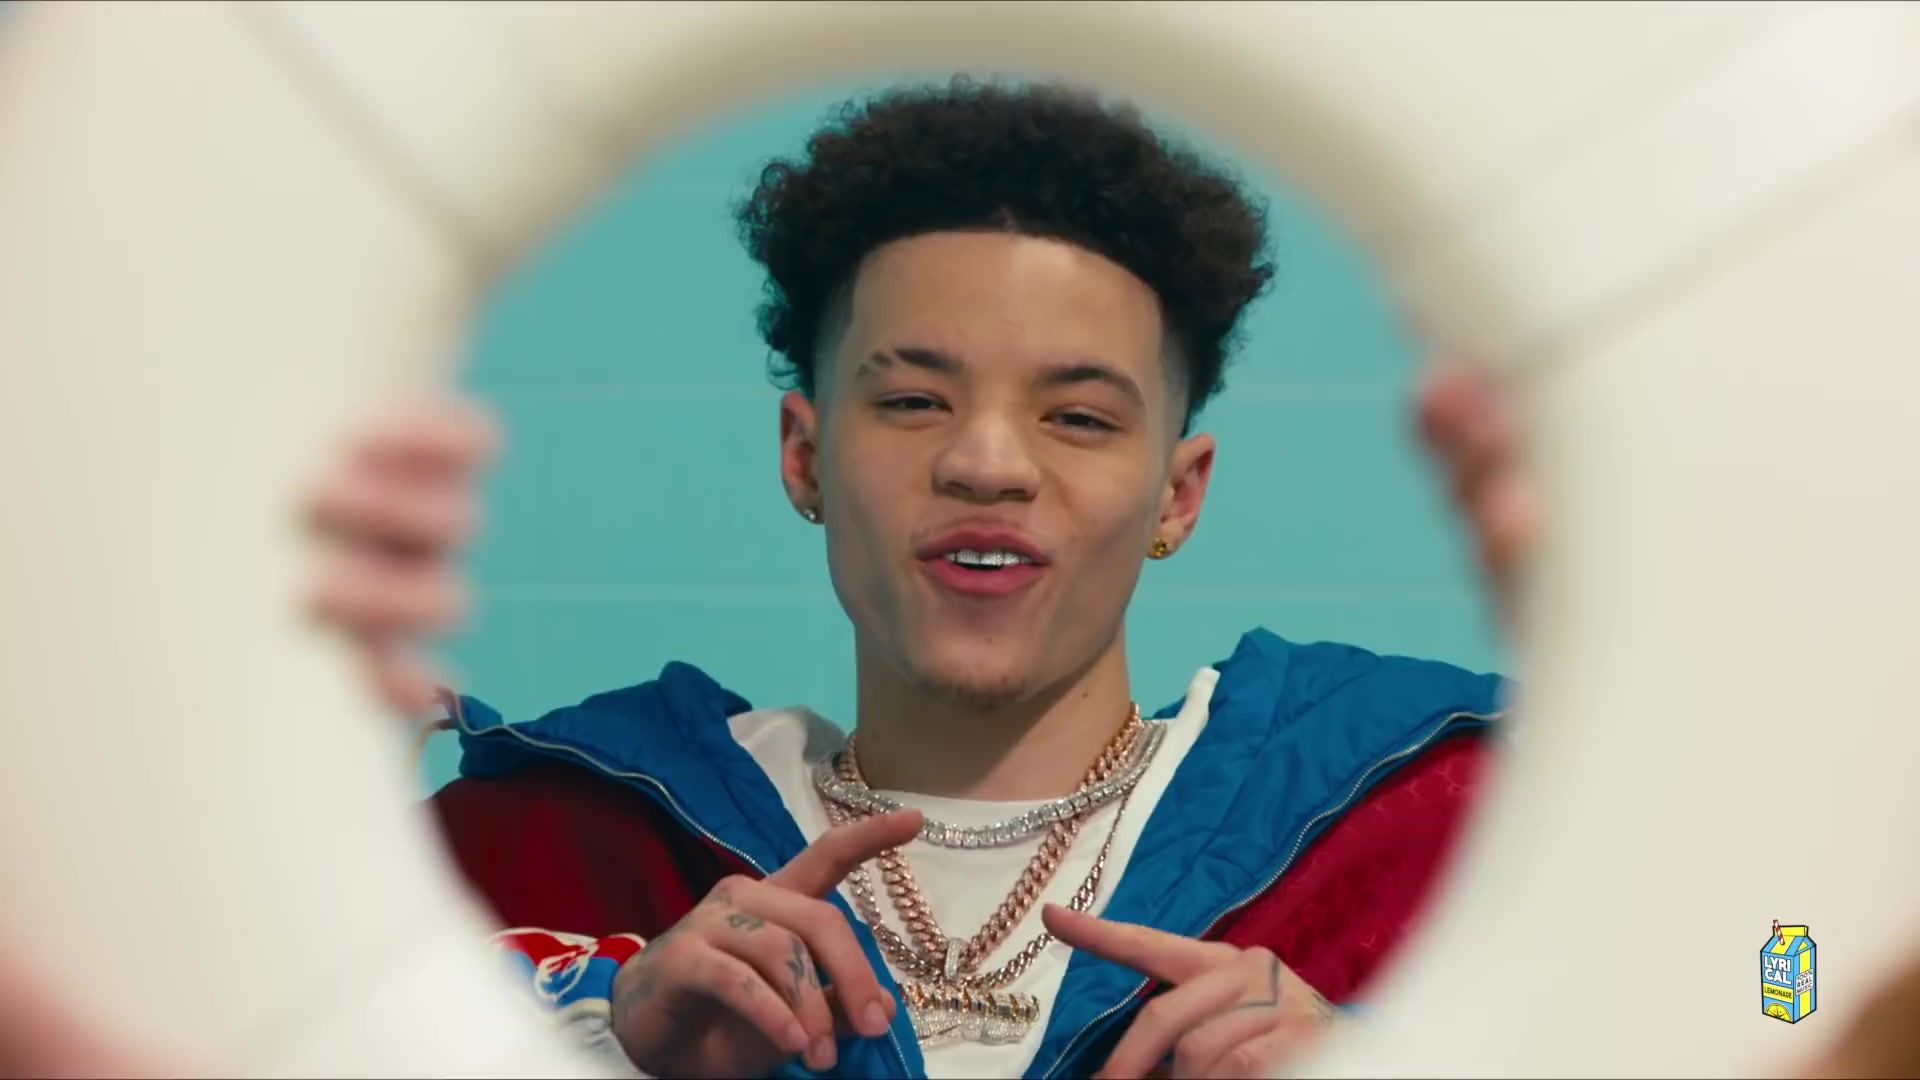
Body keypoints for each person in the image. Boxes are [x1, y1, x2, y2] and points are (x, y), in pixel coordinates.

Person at [303, 77, 1536, 1080]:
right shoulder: (552, 852)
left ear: (1178, 494)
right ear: (805, 457)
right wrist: (603, 1041)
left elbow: (1673, 1000)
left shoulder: (1440, 827)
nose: (986, 463)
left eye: (1079, 417)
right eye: (911, 402)